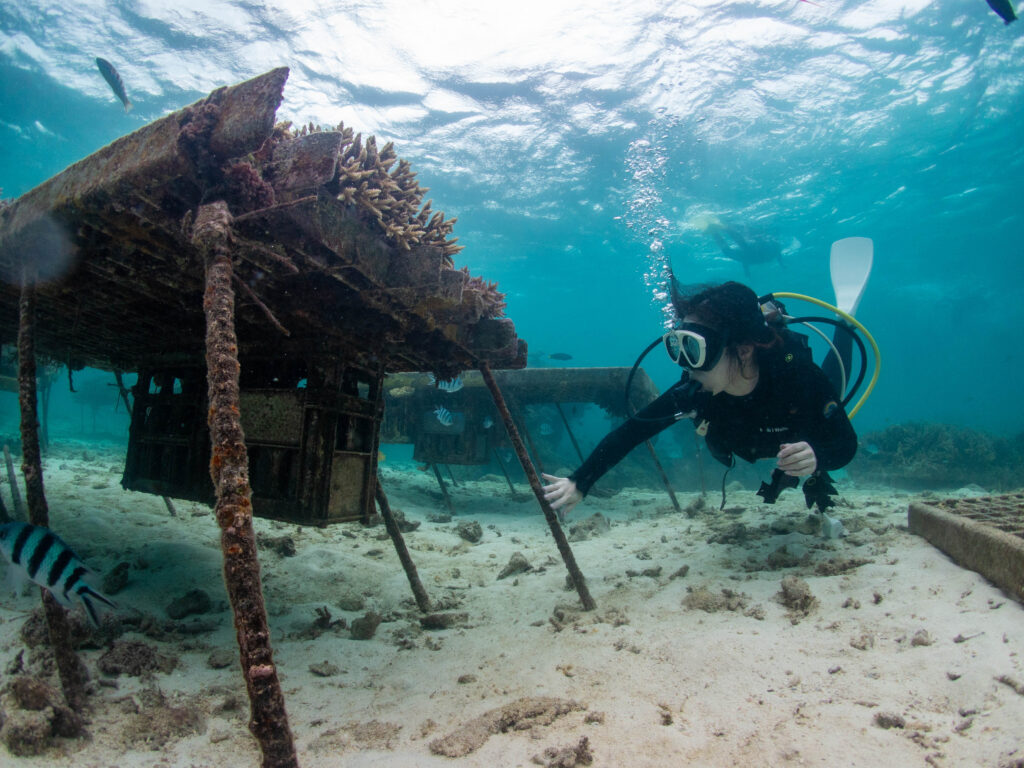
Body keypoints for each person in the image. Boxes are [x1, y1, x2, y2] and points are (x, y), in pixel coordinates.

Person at [542, 280, 857, 518]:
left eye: (695, 350)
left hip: (797, 427)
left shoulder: (795, 376)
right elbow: (632, 432)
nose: (686, 365)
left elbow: (845, 445)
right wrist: (579, 482)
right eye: (679, 347)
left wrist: (817, 457)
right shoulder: (698, 392)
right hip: (751, 441)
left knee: (835, 383)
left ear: (743, 350)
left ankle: (844, 324)